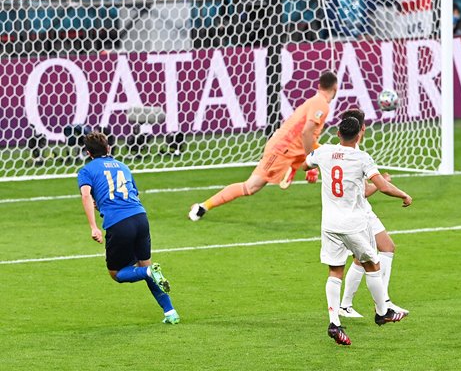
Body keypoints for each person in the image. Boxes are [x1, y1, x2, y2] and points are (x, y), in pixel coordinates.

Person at [302, 116, 412, 345]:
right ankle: (383, 311)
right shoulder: (362, 158)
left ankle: (334, 323)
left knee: (335, 272)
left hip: (329, 224)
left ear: (338, 133)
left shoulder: (323, 151)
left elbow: (305, 164)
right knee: (372, 264)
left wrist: (312, 170)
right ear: (360, 134)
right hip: (354, 224)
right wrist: (403, 194)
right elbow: (381, 186)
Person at [188, 72, 338, 221]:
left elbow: (306, 135)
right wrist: (311, 162)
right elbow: (306, 132)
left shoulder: (316, 101)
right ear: (336, 87)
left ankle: (339, 206)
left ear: (319, 86)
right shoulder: (321, 104)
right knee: (250, 187)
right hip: (283, 149)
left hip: (296, 146)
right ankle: (203, 206)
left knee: (336, 158)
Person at [78, 132, 180, 324]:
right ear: (108, 148)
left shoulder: (86, 170)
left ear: (88, 152)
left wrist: (93, 227)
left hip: (119, 224)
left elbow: (86, 196)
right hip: (140, 217)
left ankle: (148, 273)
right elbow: (133, 193)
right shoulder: (123, 166)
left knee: (117, 274)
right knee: (145, 264)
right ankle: (170, 312)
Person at [336, 109, 409, 318]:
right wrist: (383, 182)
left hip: (355, 211)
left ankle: (347, 305)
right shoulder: (357, 154)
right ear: (362, 129)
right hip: (359, 214)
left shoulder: (343, 150)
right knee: (377, 252)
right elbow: (366, 191)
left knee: (379, 251)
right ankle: (382, 304)